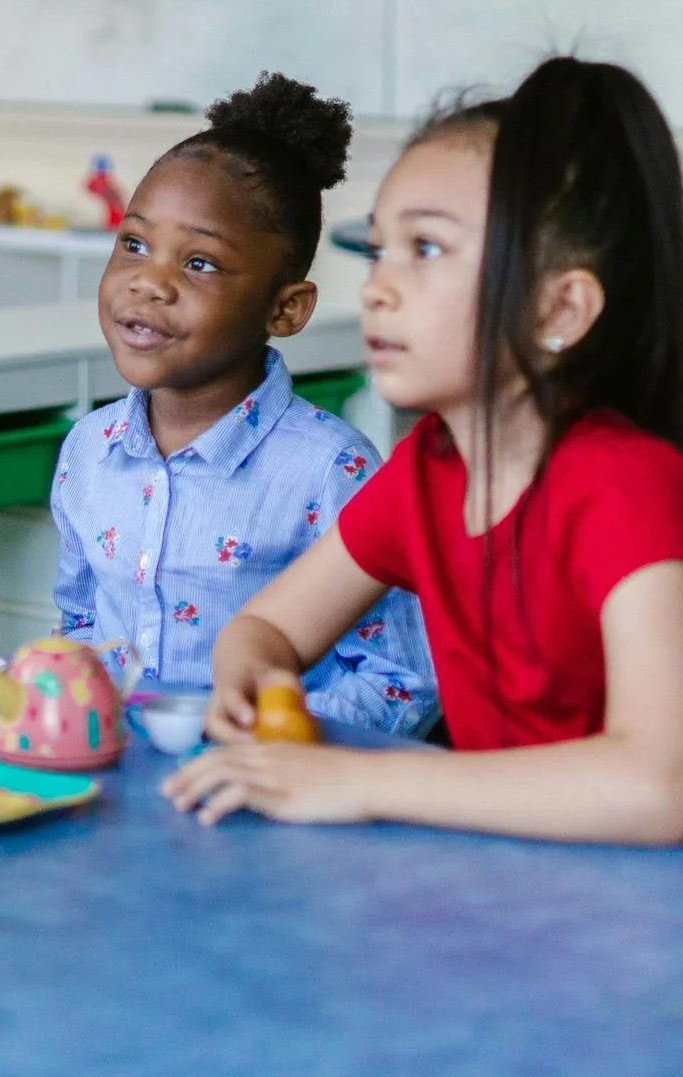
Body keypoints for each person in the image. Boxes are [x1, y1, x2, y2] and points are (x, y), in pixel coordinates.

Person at [164, 57, 683, 920]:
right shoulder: (426, 471)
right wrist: (254, 682)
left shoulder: (622, 485)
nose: (378, 285)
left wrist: (365, 778)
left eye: (425, 249)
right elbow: (267, 625)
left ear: (559, 310)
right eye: (380, 247)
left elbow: (656, 787)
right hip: (582, 902)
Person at [52, 73, 434, 733]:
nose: (149, 283)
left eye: (199, 263)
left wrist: (260, 734)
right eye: (134, 244)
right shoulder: (88, 449)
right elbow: (81, 625)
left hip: (270, 794)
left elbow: (401, 684)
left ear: (286, 308)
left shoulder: (330, 471)